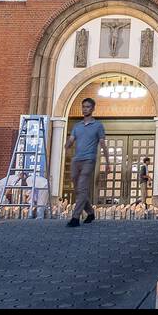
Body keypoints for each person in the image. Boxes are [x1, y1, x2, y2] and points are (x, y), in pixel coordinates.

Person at [64, 97, 104, 227]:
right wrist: (67, 145)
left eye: (87, 107)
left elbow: (103, 144)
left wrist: (108, 162)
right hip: (76, 160)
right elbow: (71, 140)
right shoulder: (77, 126)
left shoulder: (98, 126)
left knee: (82, 187)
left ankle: (75, 218)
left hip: (89, 159)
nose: (85, 109)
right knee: (78, 189)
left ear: (92, 109)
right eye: (83, 107)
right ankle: (91, 212)